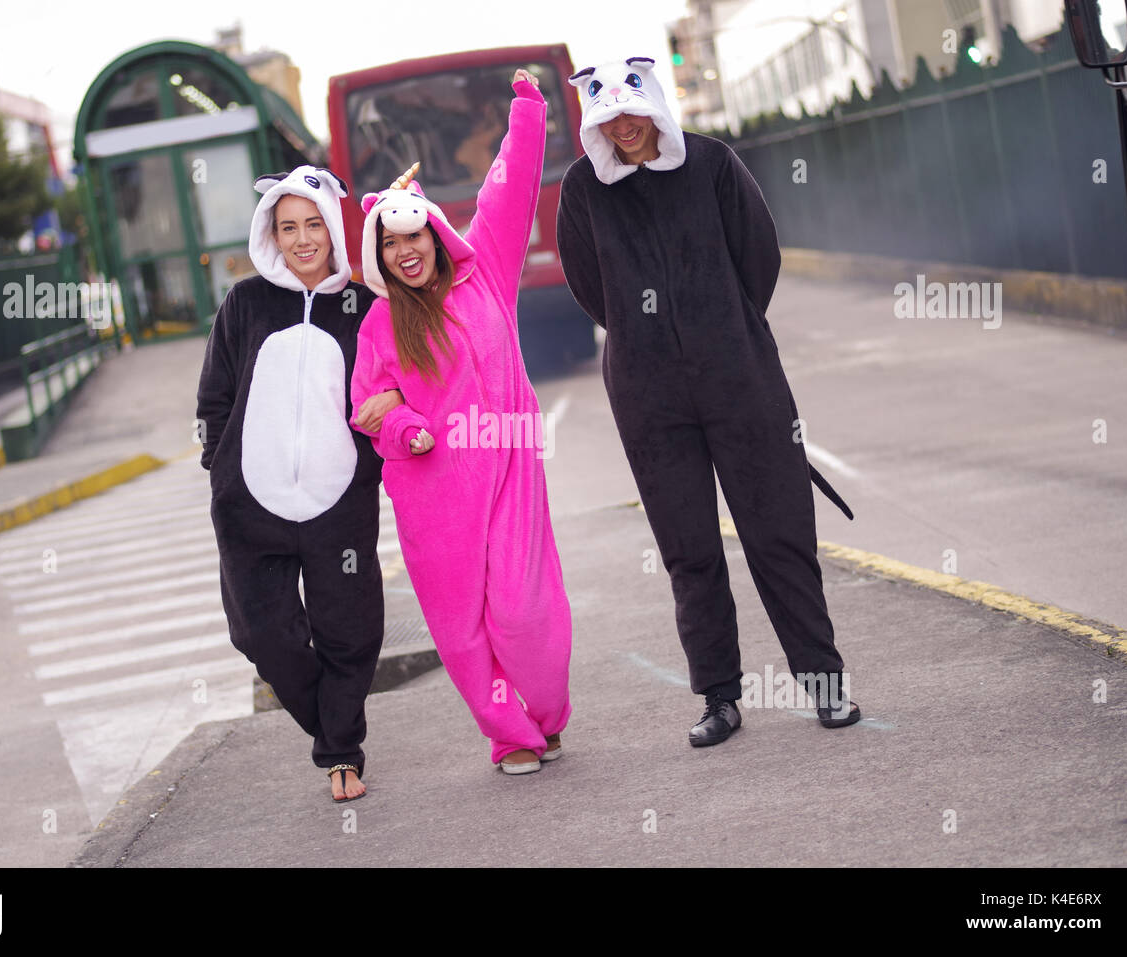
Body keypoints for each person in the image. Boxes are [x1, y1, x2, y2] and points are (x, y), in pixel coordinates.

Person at [555, 56, 862, 748]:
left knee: (779, 532)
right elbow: (586, 282)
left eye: (633, 112)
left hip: (741, 379)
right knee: (689, 551)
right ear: (595, 122)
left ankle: (825, 682)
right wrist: (645, 335)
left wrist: (724, 325)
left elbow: (760, 255)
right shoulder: (582, 190)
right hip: (647, 394)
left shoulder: (712, 163)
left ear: (655, 104)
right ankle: (719, 698)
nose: (625, 127)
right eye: (609, 118)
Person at [348, 70, 573, 775]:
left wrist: (528, 113)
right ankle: (509, 734)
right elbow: (368, 409)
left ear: (436, 234)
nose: (405, 250)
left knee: (522, 608)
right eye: (390, 244)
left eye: (414, 235)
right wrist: (404, 427)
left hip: (506, 465)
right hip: (432, 493)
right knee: (464, 631)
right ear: (379, 258)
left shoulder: (488, 275)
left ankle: (545, 711)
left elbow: (506, 191)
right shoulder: (381, 324)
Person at [196, 165, 403, 802]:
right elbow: (215, 397)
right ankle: (330, 721)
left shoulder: (366, 305)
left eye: (313, 224)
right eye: (288, 227)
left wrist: (391, 399)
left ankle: (341, 751)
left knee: (352, 629)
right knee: (261, 634)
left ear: (331, 229)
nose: (303, 239)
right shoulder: (245, 303)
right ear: (271, 234)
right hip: (250, 506)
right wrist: (219, 465)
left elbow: (395, 380)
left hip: (337, 504)